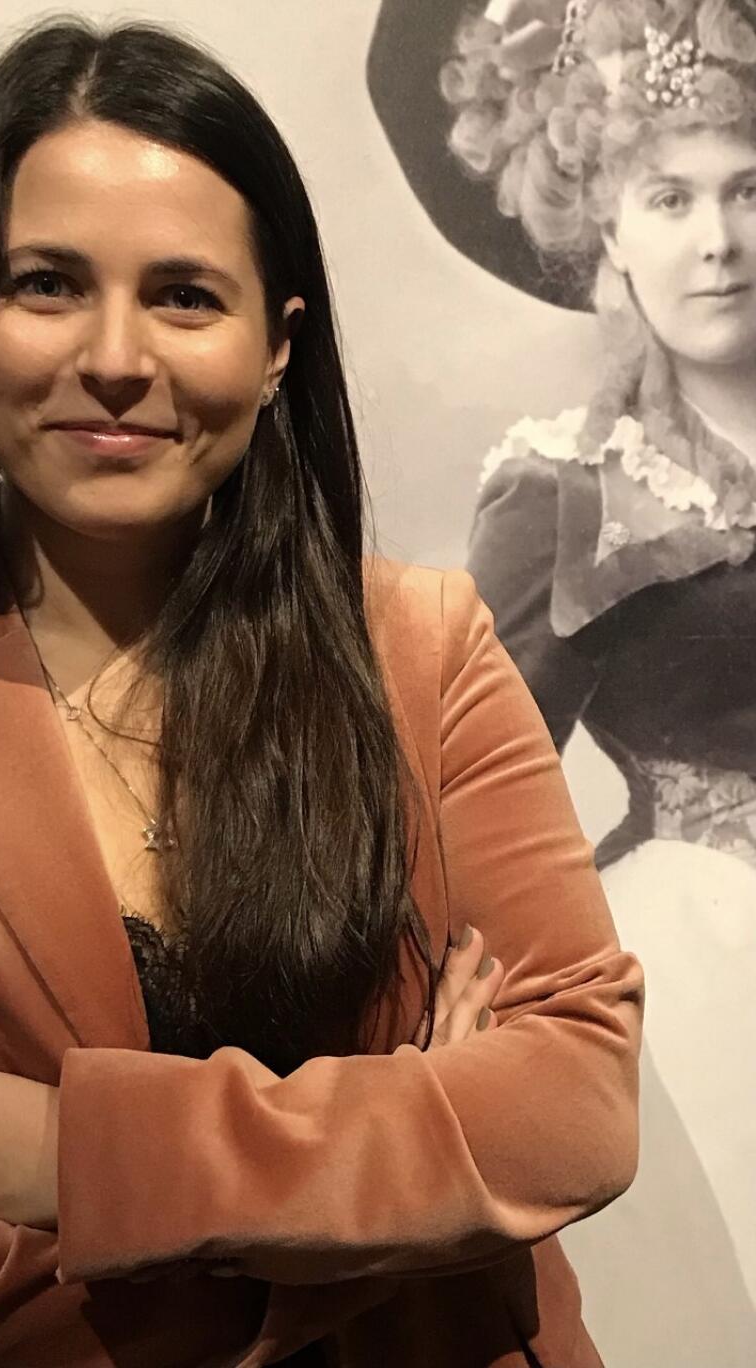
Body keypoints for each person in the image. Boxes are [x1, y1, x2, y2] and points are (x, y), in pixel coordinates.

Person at [0, 15, 641, 1368]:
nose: (118, 356)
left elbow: (574, 1111)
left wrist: (88, 1157)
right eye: (48, 284)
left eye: (186, 295)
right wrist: (414, 1182)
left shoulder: (423, 651)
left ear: (275, 346)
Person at [370, 0, 756, 1362]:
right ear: (608, 228)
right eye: (671, 196)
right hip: (718, 974)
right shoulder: (566, 485)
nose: (719, 240)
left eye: (749, 187)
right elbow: (466, 791)